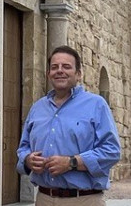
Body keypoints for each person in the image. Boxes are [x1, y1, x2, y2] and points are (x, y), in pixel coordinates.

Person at [17, 45, 121, 205]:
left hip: (84, 199)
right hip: (43, 198)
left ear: (78, 74)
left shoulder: (96, 105)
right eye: (54, 67)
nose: (59, 71)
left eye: (66, 67)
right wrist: (27, 160)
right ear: (48, 74)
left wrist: (71, 163)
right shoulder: (37, 108)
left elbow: (112, 151)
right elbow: (23, 147)